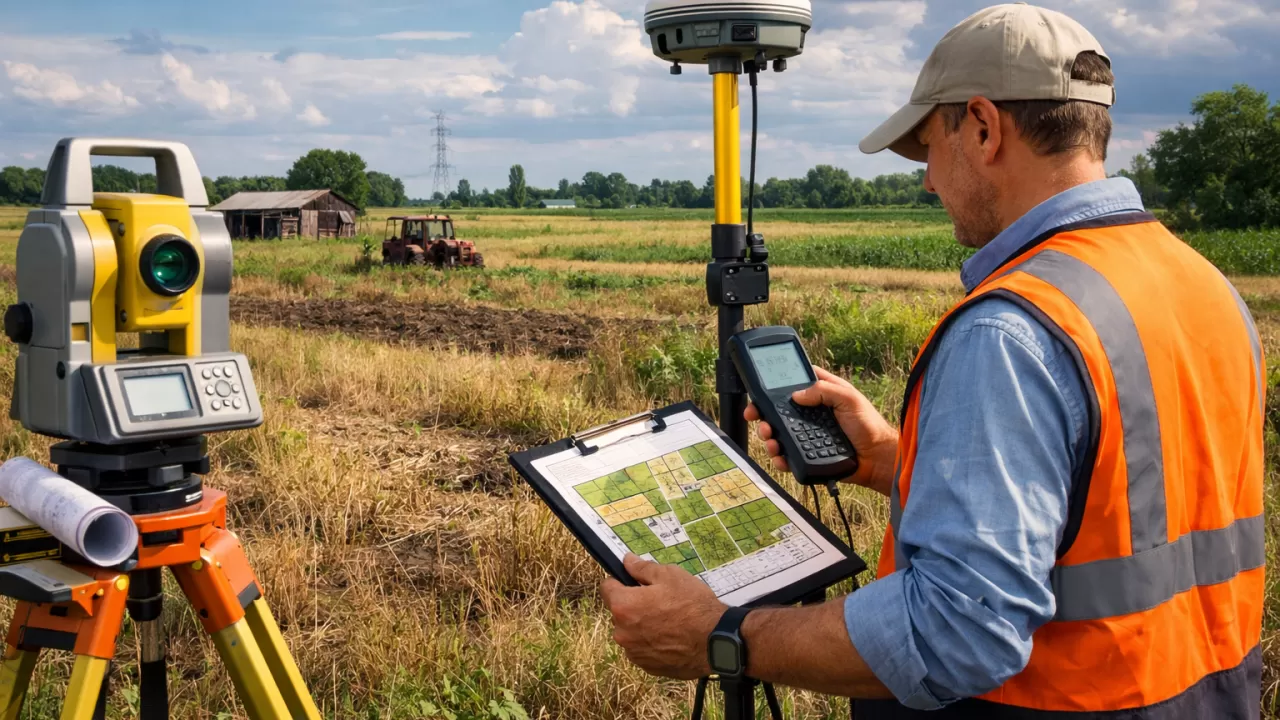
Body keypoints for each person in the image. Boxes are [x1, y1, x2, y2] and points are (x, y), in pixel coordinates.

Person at [601, 4, 1266, 717]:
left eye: (927, 149)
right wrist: (891, 457)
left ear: (981, 127)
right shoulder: (1202, 285)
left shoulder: (1013, 332)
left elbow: (955, 632)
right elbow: (1121, 498)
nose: (926, 183)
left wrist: (723, 634)